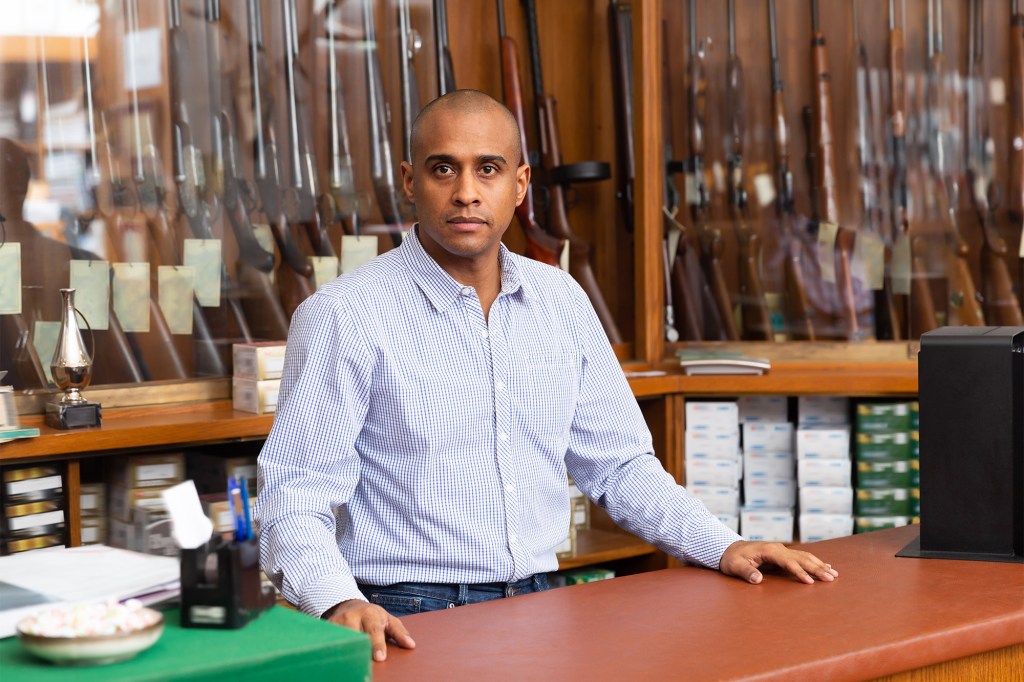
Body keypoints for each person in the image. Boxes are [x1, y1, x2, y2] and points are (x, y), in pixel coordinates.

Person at [256, 90, 838, 663]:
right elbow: (295, 493)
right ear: (410, 181)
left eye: (488, 169)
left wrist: (722, 545)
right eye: (443, 170)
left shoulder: (561, 300)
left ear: (520, 183)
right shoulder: (344, 315)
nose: (466, 193)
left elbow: (619, 465)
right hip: (408, 617)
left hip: (543, 606)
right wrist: (336, 602)